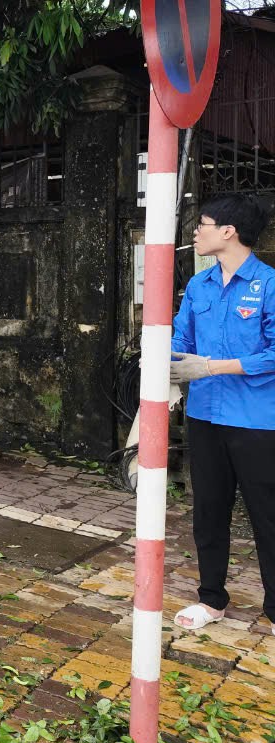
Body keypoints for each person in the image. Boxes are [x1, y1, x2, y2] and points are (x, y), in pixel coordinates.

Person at [167, 194, 275, 634]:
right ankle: (211, 599)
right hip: (205, 413)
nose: (197, 231)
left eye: (204, 223)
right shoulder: (198, 286)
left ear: (229, 231)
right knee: (208, 511)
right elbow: (181, 338)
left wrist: (212, 366)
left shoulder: (268, 283)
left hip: (255, 419)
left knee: (265, 513)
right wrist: (168, 370)